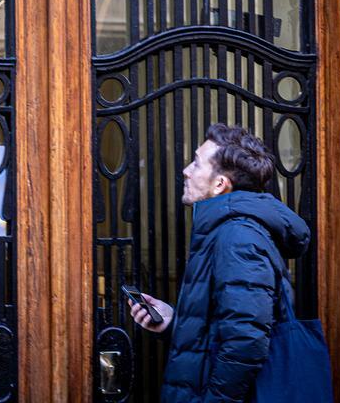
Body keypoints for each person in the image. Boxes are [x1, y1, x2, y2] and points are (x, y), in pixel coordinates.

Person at [128, 123, 311, 403]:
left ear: (219, 184)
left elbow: (246, 343)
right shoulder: (228, 231)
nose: (186, 170)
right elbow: (227, 330)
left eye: (196, 163)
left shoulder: (238, 236)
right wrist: (172, 323)